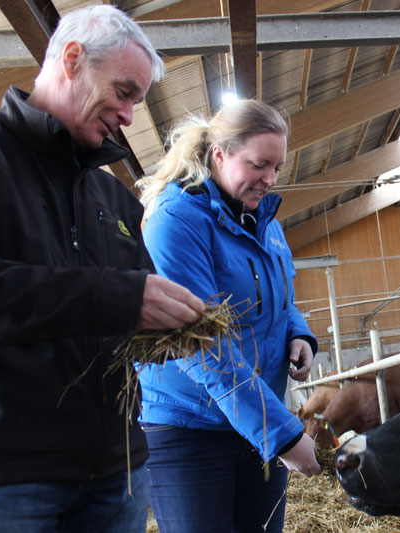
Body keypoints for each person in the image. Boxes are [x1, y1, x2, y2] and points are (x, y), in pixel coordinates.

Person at [0, 5, 206, 531]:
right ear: (72, 59)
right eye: (123, 93)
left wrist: (174, 327)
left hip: (117, 473)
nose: (129, 116)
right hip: (3, 477)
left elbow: (131, 307)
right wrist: (123, 298)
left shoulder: (111, 197)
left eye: (137, 102)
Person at [136, 100, 322, 532]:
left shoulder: (265, 223)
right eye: (260, 164)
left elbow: (284, 299)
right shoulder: (175, 221)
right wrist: (284, 436)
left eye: (278, 167)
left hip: (258, 415)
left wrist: (300, 335)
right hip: (190, 425)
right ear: (219, 153)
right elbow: (201, 345)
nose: (271, 179)